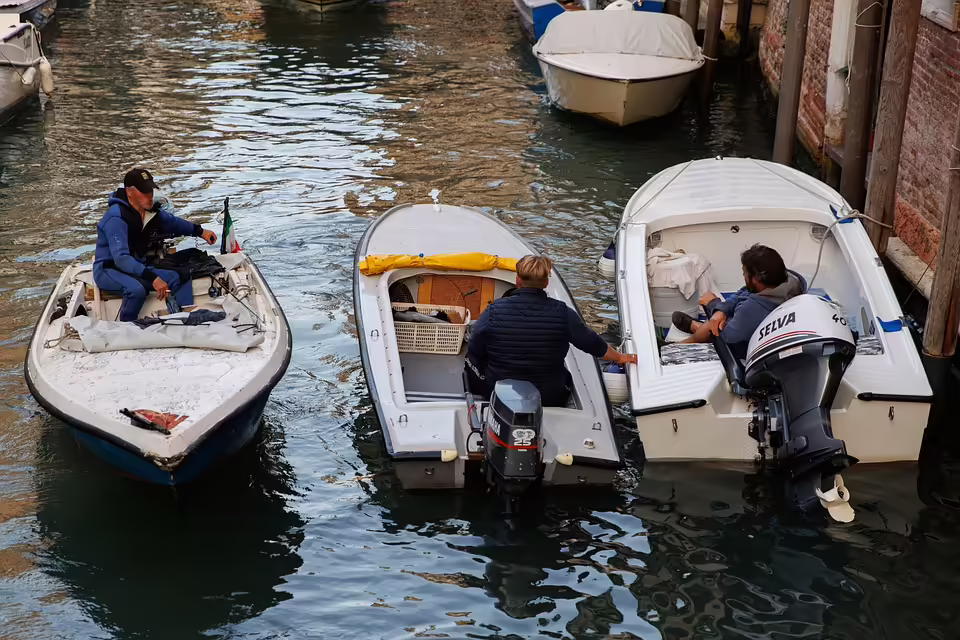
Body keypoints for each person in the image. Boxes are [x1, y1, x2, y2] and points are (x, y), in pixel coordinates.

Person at [466, 255, 637, 407]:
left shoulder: (493, 310)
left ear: (518, 280)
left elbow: (474, 347)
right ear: (546, 283)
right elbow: (593, 344)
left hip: (499, 391)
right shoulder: (563, 313)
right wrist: (621, 357)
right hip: (549, 396)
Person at [93, 168, 218, 322]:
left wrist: (200, 231)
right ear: (129, 192)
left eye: (150, 191)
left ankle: (179, 315)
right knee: (136, 290)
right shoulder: (116, 218)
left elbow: (174, 223)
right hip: (109, 269)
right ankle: (126, 327)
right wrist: (153, 278)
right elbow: (121, 259)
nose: (150, 196)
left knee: (174, 276)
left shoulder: (149, 213)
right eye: (144, 192)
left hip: (136, 266)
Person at [672, 244, 806, 360]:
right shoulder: (788, 282)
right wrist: (721, 310)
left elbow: (729, 336)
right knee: (716, 319)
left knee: (713, 326)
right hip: (750, 327)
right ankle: (697, 328)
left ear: (755, 279)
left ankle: (680, 346)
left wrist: (712, 305)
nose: (743, 277)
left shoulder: (754, 308)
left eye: (744, 273)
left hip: (745, 345)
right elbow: (740, 294)